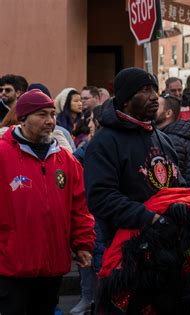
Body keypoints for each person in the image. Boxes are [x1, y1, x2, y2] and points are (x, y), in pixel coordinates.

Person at [0, 89, 95, 314]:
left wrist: (82, 244)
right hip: (11, 265)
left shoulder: (65, 159)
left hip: (52, 265)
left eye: (52, 114)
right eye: (42, 114)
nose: (50, 121)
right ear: (23, 118)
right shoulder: (3, 154)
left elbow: (79, 207)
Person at [84, 67, 184, 247]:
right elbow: (101, 198)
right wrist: (150, 219)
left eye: (155, 89)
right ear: (125, 100)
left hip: (169, 246)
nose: (154, 96)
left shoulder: (163, 139)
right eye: (145, 90)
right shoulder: (104, 142)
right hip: (127, 250)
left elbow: (178, 184)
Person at [71, 105, 105, 315]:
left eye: (92, 120)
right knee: (87, 259)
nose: (89, 124)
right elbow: (72, 164)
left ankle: (98, 302)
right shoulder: (88, 147)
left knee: (101, 262)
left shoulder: (100, 146)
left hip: (101, 213)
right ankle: (88, 298)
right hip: (90, 212)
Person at [158, 93, 190, 175]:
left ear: (168, 113)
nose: (153, 109)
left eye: (157, 107)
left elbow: (174, 175)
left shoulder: (172, 140)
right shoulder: (164, 134)